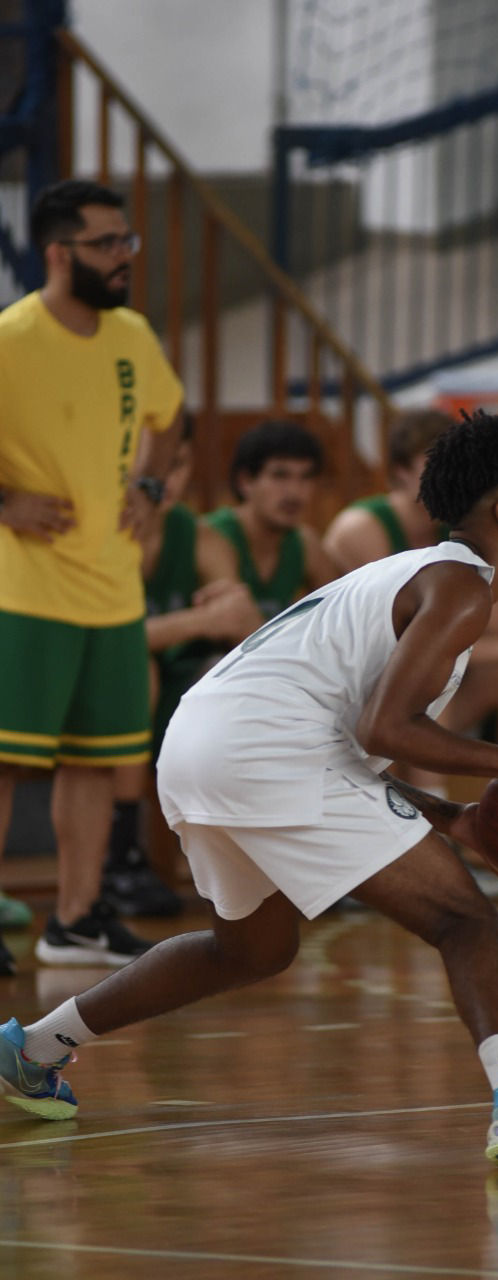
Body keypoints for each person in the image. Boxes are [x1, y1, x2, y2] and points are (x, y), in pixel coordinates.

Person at [0, 410, 498, 1170]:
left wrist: (451, 816)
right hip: (264, 749)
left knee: (249, 950)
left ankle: (32, 1047)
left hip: (201, 743)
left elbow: (352, 745)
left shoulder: (421, 575)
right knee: (465, 921)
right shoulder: (462, 586)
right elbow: (384, 727)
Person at [0, 179, 185, 976]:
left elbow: (170, 419)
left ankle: (74, 920)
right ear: (57, 253)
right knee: (6, 761)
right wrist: (6, 501)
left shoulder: (132, 335)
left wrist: (150, 484)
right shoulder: (11, 339)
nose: (123, 256)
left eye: (126, 241)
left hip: (112, 589)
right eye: (106, 243)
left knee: (95, 759)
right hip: (22, 590)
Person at [323, 407, 498, 774]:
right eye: (433, 463)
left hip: (390, 699)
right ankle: (431, 800)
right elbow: (399, 640)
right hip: (354, 697)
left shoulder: (456, 525)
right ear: (400, 470)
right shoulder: (362, 527)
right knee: (433, 669)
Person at [103, 416, 264, 917]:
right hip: (94, 690)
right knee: (136, 671)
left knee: (238, 677)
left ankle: (264, 855)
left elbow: (242, 626)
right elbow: (109, 641)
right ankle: (121, 857)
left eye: (178, 464)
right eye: (154, 466)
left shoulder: (200, 537)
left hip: (174, 696)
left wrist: (228, 618)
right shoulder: (99, 533)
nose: (165, 479)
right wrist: (199, 620)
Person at [205, 420, 338, 619]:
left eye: (305, 477)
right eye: (280, 476)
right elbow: (233, 624)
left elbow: (340, 613)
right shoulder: (213, 536)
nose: (294, 492)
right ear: (245, 481)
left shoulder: (304, 543)